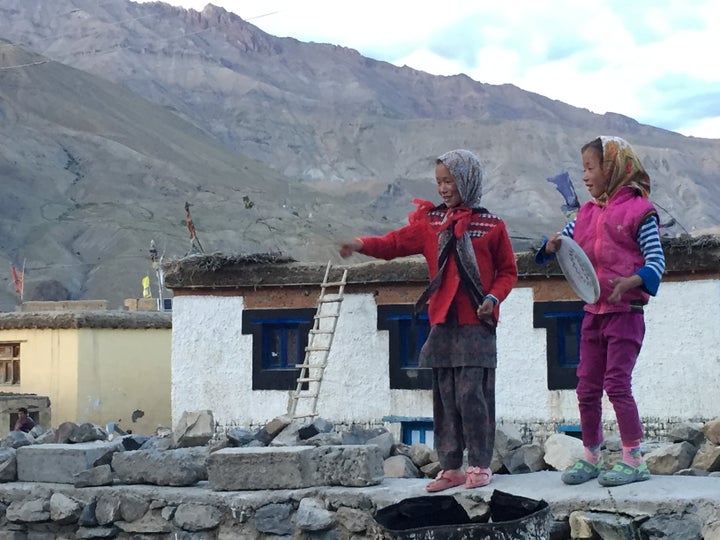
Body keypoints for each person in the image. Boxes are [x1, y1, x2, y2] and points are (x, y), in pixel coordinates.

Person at [339, 149, 518, 491]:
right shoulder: (431, 223)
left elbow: (508, 271)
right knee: (445, 396)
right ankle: (451, 467)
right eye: (439, 182)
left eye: (449, 180)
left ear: (467, 180)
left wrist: (492, 298)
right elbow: (393, 244)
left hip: (477, 324)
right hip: (443, 322)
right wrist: (360, 244)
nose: (443, 188)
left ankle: (479, 464)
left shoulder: (492, 226)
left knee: (473, 396)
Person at [536, 136, 665, 486]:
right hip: (593, 312)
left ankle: (633, 459)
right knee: (586, 387)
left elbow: (657, 261)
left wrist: (630, 281)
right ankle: (591, 455)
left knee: (617, 384)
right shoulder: (586, 214)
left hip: (626, 312)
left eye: (591, 168)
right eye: (584, 170)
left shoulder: (639, 212)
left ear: (612, 169)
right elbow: (564, 243)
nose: (586, 177)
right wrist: (549, 246)